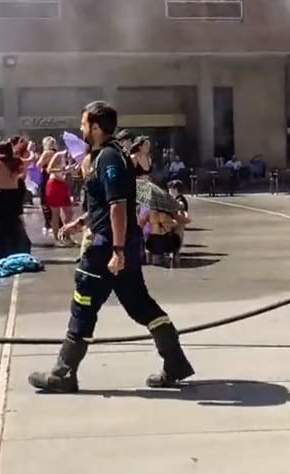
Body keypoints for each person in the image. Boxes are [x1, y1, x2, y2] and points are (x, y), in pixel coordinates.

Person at [28, 100, 195, 393]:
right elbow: (103, 204)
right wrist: (80, 223)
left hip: (108, 247)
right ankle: (175, 361)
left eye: (83, 124)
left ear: (95, 126)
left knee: (83, 304)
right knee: (140, 305)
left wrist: (116, 251)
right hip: (117, 242)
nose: (80, 129)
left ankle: (64, 372)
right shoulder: (104, 156)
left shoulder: (109, 158)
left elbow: (118, 205)